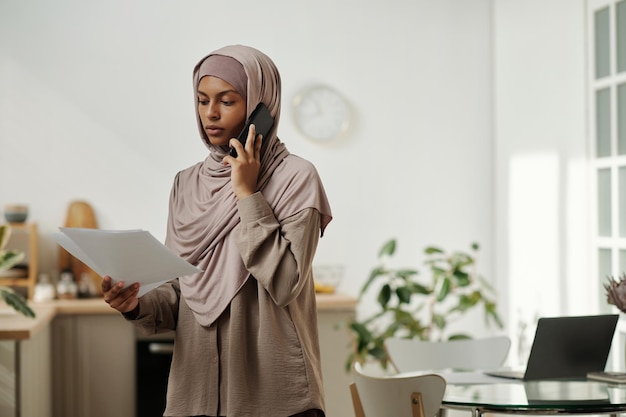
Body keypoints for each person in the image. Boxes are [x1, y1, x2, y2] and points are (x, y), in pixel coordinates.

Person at [102, 44, 332, 417]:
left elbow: (285, 281)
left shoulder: (296, 178)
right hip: (194, 394)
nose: (210, 113)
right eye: (201, 99)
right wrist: (137, 303)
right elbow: (180, 289)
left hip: (275, 398)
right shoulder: (186, 183)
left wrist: (247, 193)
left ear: (261, 105)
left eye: (227, 101)